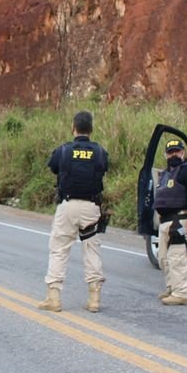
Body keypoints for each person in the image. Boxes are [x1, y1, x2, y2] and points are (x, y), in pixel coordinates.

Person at [38, 110, 109, 314]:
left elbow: (53, 167)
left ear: (73, 128)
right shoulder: (100, 152)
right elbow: (104, 168)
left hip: (68, 206)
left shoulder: (63, 150)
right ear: (91, 129)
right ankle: (94, 299)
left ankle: (54, 298)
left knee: (59, 249)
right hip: (91, 207)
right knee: (92, 249)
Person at [154, 139, 187, 306]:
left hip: (181, 220)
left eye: (177, 151)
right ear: (165, 155)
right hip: (166, 222)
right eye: (170, 152)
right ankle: (172, 288)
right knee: (164, 259)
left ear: (183, 153)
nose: (174, 154)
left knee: (177, 257)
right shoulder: (165, 173)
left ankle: (181, 293)